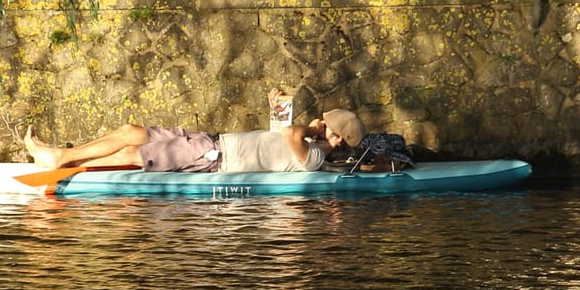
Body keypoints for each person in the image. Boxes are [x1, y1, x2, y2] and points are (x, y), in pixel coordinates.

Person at [24, 98, 367, 174]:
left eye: (327, 129)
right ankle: (63, 156)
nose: (322, 129)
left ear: (333, 137)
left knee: (134, 154)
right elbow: (279, 131)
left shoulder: (315, 157)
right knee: (131, 132)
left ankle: (61, 159)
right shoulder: (308, 144)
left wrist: (310, 129)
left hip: (212, 159)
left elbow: (292, 134)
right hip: (211, 140)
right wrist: (276, 103)